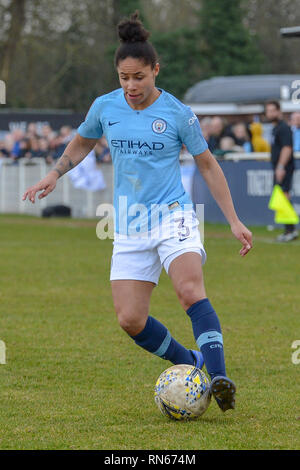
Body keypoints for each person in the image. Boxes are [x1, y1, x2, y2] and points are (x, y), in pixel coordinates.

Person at [22, 12, 252, 413]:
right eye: (124, 78)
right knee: (130, 319)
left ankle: (217, 375)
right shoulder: (105, 107)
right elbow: (81, 144)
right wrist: (55, 173)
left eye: (139, 77)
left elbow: (208, 165)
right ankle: (191, 362)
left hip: (173, 215)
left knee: (189, 290)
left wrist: (233, 220)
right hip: (127, 223)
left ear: (155, 70)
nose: (131, 86)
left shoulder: (178, 113)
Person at [265, 101, 298, 242]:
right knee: (282, 198)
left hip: (283, 168)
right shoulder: (275, 128)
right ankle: (289, 230)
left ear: (279, 111)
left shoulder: (283, 128)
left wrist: (280, 167)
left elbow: (287, 148)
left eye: (273, 110)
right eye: (268, 111)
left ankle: (290, 230)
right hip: (279, 167)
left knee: (284, 197)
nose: (270, 113)